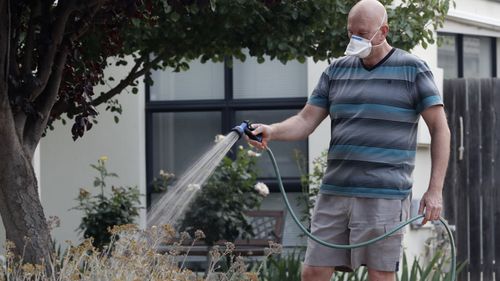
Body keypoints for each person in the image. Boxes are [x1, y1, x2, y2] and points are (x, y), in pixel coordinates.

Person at [246, 0, 451, 280]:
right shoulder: (336, 71)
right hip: (335, 192)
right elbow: (306, 120)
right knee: (313, 272)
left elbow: (440, 128)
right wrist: (271, 130)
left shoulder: (413, 70)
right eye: (350, 32)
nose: (355, 39)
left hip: (385, 194)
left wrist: (435, 190)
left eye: (362, 33)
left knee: (380, 275)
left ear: (384, 31)